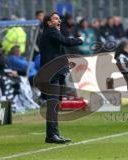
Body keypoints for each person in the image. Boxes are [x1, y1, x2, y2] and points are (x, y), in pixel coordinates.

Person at [39, 12, 84, 144]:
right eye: (55, 18)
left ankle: (54, 133)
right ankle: (51, 135)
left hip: (54, 72)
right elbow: (67, 42)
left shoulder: (50, 34)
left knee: (55, 104)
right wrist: (80, 39)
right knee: (53, 104)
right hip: (51, 73)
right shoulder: (51, 32)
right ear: (48, 22)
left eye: (59, 18)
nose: (59, 21)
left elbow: (56, 51)